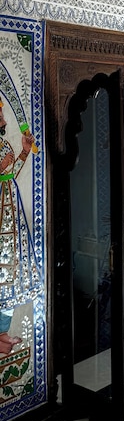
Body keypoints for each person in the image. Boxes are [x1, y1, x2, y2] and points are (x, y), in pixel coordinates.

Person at [0, 97, 39, 303]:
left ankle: (4, 322)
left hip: (10, 206)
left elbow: (12, 173)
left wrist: (24, 151)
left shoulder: (4, 144)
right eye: (0, 117)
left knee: (11, 260)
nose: (4, 120)